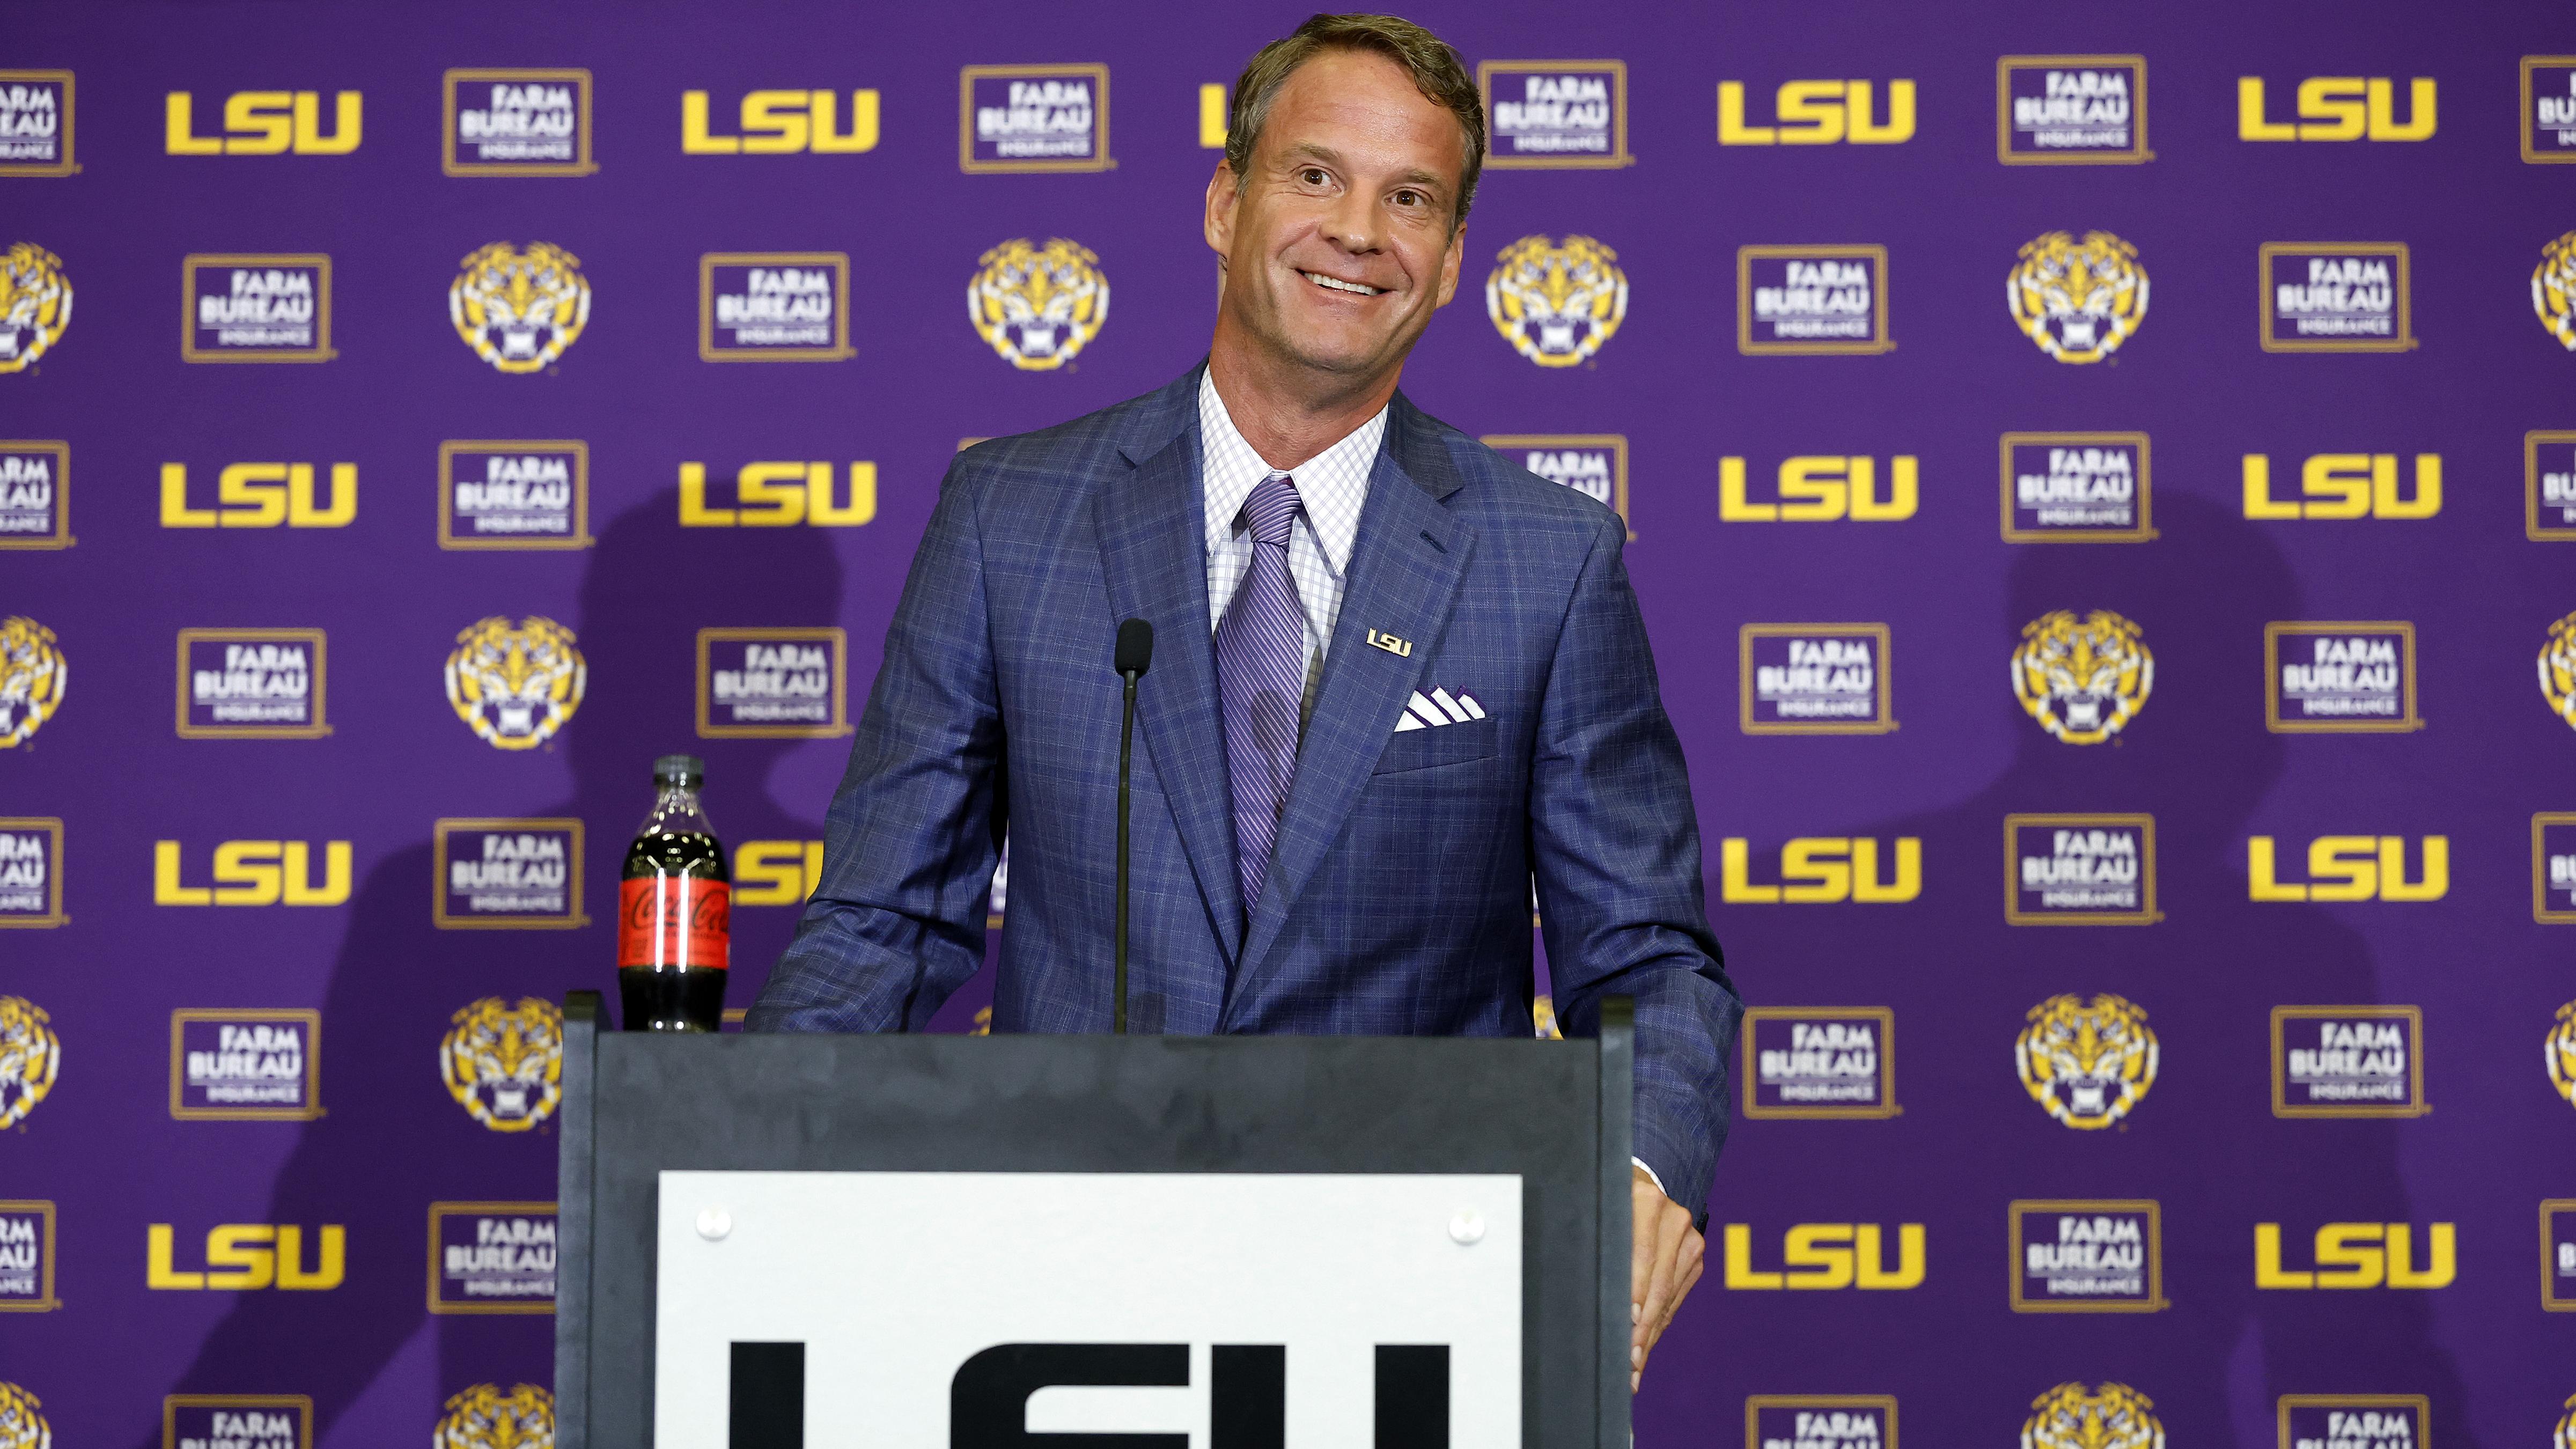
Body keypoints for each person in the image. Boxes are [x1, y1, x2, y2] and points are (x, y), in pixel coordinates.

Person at [749, 11, 1741, 1387]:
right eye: (1315, 176)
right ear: (1226, 203)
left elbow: (1647, 959)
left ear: (1451, 263)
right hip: (1056, 1283)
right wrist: (728, 1167)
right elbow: (883, 913)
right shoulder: (1011, 515)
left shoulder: (1546, 558)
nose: (1359, 232)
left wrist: (1635, 1164)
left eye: (1412, 200)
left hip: (1411, 1301)